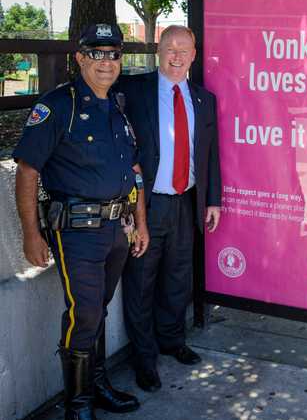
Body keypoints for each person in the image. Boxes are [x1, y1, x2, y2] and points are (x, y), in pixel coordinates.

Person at [14, 23, 149, 420]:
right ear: (80, 58)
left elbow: (134, 170)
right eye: (96, 53)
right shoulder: (59, 105)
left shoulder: (118, 108)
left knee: (98, 309)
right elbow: (26, 171)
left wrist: (139, 222)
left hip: (116, 228)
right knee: (85, 311)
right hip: (76, 231)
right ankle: (78, 404)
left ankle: (98, 384)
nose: (106, 62)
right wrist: (30, 233)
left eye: (113, 54)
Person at [118, 25, 221, 392]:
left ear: (194, 55)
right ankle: (144, 359)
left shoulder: (203, 99)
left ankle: (172, 340)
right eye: (170, 48)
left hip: (187, 201)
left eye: (184, 49)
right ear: (157, 51)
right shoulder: (131, 91)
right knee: (141, 281)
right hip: (147, 205)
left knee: (179, 278)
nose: (177, 56)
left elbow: (210, 155)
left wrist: (213, 199)